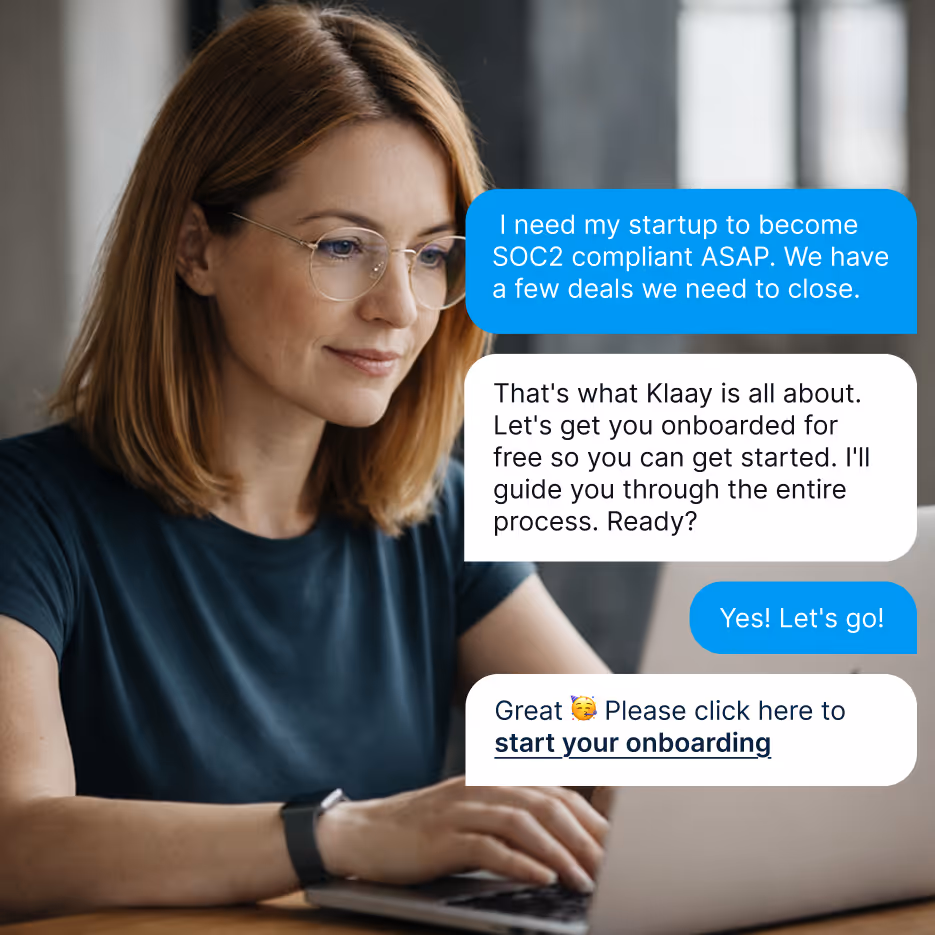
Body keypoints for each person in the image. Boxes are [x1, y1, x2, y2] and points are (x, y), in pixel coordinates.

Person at [0, 5, 609, 919]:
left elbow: (621, 759)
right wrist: (339, 835)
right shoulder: (28, 515)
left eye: (430, 254)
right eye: (342, 246)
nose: (399, 307)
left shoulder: (434, 515)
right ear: (196, 247)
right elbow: (14, 840)